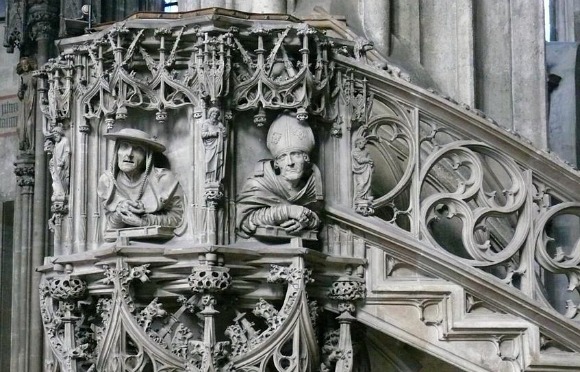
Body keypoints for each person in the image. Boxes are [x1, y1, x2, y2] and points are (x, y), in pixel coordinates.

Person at [236, 113, 323, 237]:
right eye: (283, 157)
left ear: (306, 158)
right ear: (276, 163)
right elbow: (245, 220)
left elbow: (317, 217)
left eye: (296, 154)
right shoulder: (259, 182)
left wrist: (305, 221)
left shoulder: (312, 183)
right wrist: (287, 211)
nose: (290, 163)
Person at [97, 128, 184, 230]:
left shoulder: (164, 179)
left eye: (138, 149)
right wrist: (120, 214)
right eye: (125, 146)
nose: (129, 154)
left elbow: (178, 217)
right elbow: (110, 227)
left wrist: (145, 221)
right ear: (117, 151)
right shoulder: (107, 181)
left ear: (147, 156)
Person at [201, 107, 226, 184]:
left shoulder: (219, 124)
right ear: (210, 115)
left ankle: (216, 178)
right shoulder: (206, 123)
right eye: (213, 114)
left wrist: (223, 132)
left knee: (217, 162)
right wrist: (214, 134)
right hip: (209, 146)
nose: (214, 116)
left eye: (216, 115)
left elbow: (225, 133)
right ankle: (208, 179)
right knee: (208, 161)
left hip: (218, 146)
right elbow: (203, 134)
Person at [49, 127, 71, 202]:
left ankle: (62, 193)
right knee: (55, 178)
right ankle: (57, 193)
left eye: (56, 135)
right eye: (54, 136)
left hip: (62, 165)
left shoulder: (65, 140)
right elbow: (54, 154)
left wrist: (63, 161)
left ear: (60, 133)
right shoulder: (56, 143)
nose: (55, 137)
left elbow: (67, 152)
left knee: (61, 178)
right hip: (56, 165)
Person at [351, 136, 374, 203]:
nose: (364, 145)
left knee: (367, 183)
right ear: (359, 143)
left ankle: (364, 196)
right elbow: (360, 160)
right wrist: (368, 160)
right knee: (361, 183)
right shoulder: (355, 151)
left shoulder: (364, 150)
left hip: (365, 168)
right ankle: (358, 197)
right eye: (363, 143)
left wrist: (370, 161)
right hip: (359, 170)